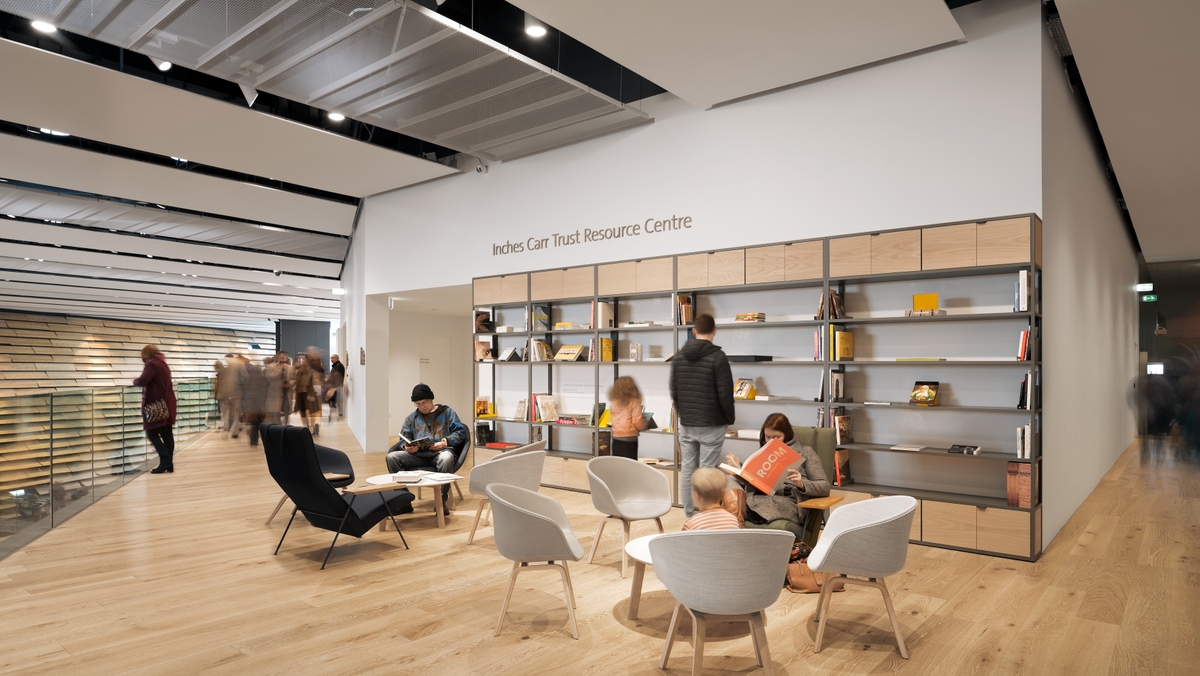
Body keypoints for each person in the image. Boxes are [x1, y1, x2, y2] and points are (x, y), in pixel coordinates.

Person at [724, 413, 831, 540]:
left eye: (776, 437)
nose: (770, 441)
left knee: (739, 503)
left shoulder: (806, 452)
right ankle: (738, 521)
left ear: (787, 434)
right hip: (759, 494)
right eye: (767, 437)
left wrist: (801, 483)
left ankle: (735, 522)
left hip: (785, 501)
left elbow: (824, 486)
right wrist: (739, 468)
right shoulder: (764, 451)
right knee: (729, 479)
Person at [669, 313, 735, 515]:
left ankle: (689, 514)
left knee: (688, 469)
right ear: (714, 330)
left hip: (687, 422)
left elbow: (674, 390)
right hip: (712, 423)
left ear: (694, 331)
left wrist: (683, 414)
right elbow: (725, 392)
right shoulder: (718, 357)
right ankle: (705, 515)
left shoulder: (678, 357)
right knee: (707, 471)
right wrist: (729, 418)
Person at [386, 384, 467, 510]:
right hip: (417, 455)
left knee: (446, 458)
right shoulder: (411, 418)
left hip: (440, 453)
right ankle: (404, 500)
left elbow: (460, 433)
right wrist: (406, 446)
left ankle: (441, 501)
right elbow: (404, 438)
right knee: (391, 457)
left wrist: (445, 442)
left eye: (424, 403)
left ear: (431, 399)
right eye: (418, 404)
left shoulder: (447, 413)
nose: (421, 406)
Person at [133, 344, 177, 474]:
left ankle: (165, 461)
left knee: (152, 433)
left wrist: (134, 381)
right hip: (167, 403)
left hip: (155, 405)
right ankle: (168, 463)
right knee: (167, 433)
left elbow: (143, 380)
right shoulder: (163, 363)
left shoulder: (152, 364)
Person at [608, 376, 648, 460]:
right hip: (630, 439)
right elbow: (637, 422)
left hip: (616, 438)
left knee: (618, 466)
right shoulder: (634, 402)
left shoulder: (614, 402)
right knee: (630, 467)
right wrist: (645, 425)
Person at [292, 352, 322, 435]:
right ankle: (306, 427)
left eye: (303, 359)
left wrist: (311, 394)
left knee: (312, 411)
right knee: (302, 411)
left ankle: (312, 428)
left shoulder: (311, 371)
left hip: (309, 393)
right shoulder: (298, 371)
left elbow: (313, 383)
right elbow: (297, 382)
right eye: (299, 359)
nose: (300, 360)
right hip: (300, 394)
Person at [217, 353, 245, 438]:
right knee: (236, 413)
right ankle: (234, 431)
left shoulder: (226, 368)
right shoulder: (239, 365)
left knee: (227, 413)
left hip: (227, 394)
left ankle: (226, 430)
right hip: (236, 394)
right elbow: (245, 377)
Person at [242, 357, 268, 446]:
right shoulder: (263, 378)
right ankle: (264, 438)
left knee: (253, 424)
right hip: (261, 405)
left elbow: (247, 392)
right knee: (261, 423)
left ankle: (253, 441)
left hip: (253, 405)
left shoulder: (250, 380)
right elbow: (265, 391)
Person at [263, 356, 286, 426]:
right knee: (273, 414)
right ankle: (273, 430)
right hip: (273, 393)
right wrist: (280, 369)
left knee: (275, 414)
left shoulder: (286, 367)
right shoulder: (272, 367)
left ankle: (276, 430)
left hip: (278, 393)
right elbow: (270, 377)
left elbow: (270, 377)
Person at [326, 353, 345, 421]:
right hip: (335, 386)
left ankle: (340, 413)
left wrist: (332, 386)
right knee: (336, 399)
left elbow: (335, 376)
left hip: (337, 385)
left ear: (337, 358)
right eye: (331, 358)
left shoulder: (338, 366)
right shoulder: (335, 366)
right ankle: (338, 412)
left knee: (339, 400)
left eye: (333, 358)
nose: (332, 359)